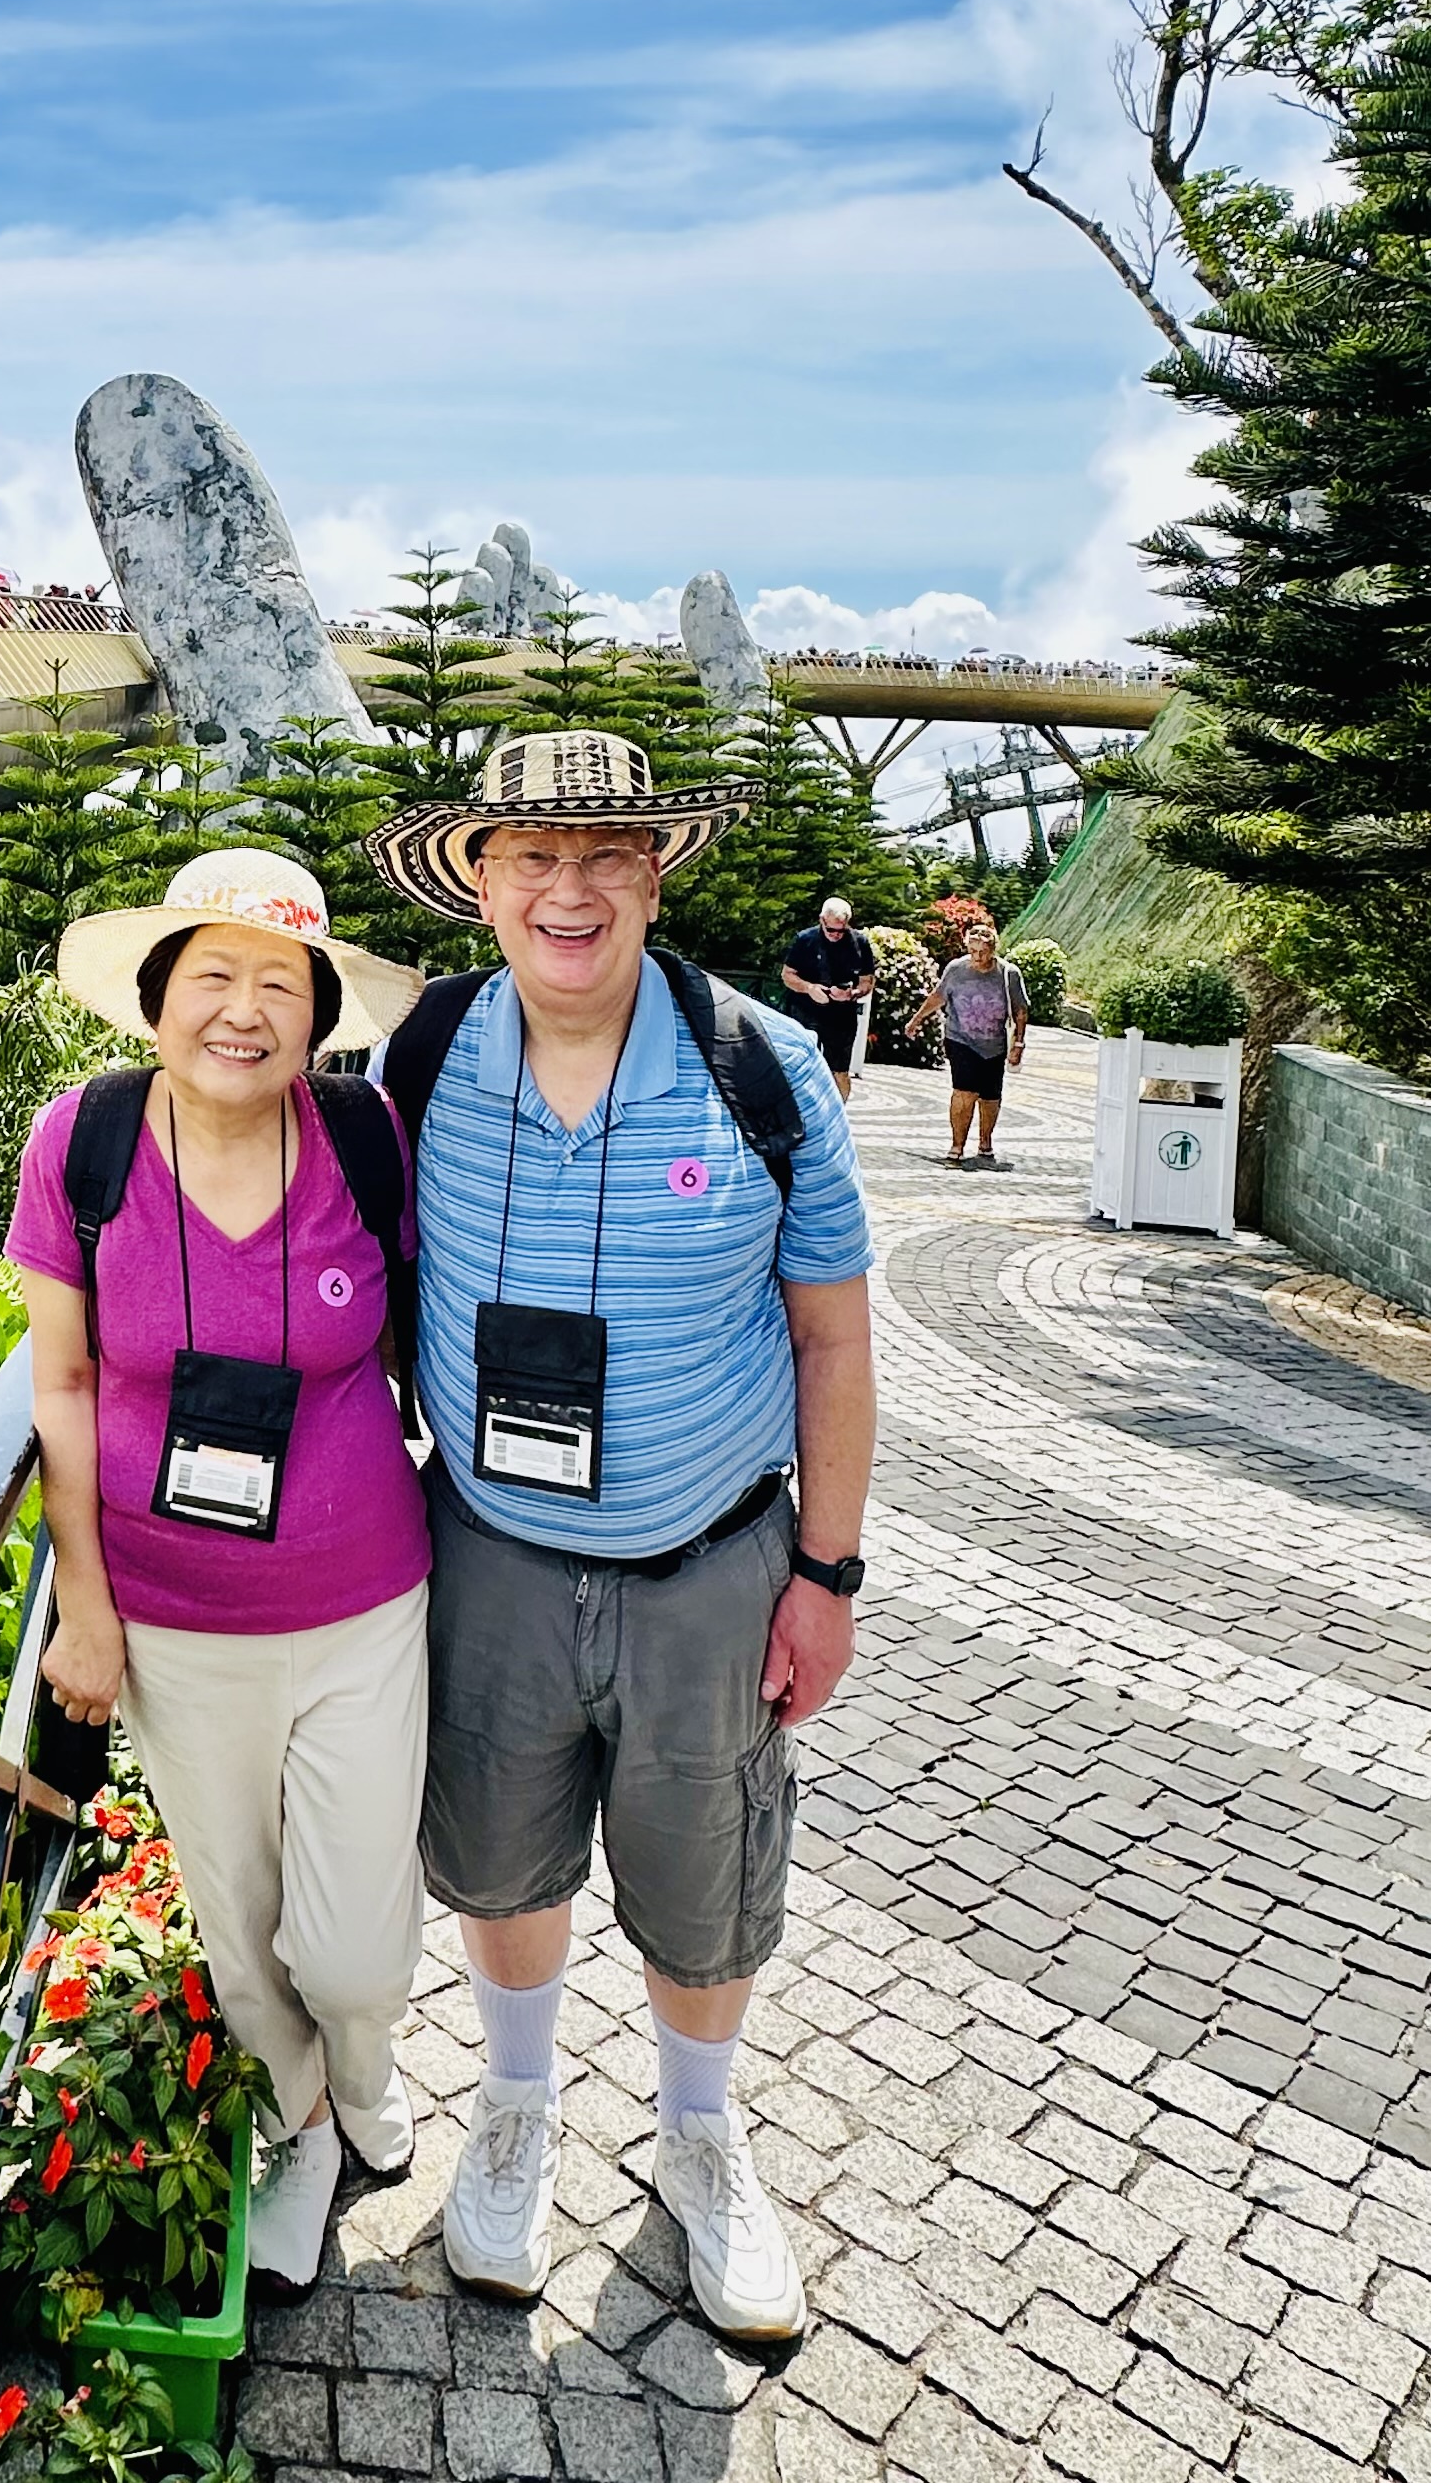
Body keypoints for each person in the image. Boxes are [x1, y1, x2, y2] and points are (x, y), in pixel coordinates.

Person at [363, 732, 876, 2341]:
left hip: (709, 1565)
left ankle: (703, 2137)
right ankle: (513, 2108)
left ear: (655, 878)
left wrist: (827, 1576)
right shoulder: (423, 1055)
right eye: (530, 855)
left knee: (704, 1863)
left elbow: (834, 1346)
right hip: (489, 1551)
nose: (568, 889)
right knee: (500, 1850)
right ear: (479, 882)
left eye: (605, 856)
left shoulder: (758, 1063)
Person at [8, 850, 432, 2293]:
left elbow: (407, 1338)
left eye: (278, 985)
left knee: (359, 1943)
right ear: (155, 997)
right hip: (173, 1620)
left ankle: (364, 2071)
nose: (241, 1013)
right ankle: (308, 2122)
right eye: (212, 978)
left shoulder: (368, 1142)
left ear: (316, 1014)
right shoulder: (83, 1145)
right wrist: (86, 1604)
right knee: (241, 1935)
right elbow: (60, 1388)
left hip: (367, 1600)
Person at [908, 917, 1029, 1167]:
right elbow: (938, 997)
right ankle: (957, 1144)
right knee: (964, 1091)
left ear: (993, 950)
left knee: (990, 1097)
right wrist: (916, 1020)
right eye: (972, 951)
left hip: (994, 1043)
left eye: (982, 952)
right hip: (960, 1039)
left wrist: (1019, 1043)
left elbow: (1020, 1010)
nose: (976, 957)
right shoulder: (956, 969)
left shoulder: (1008, 974)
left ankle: (985, 1141)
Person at [779, 895, 877, 1099]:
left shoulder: (859, 942)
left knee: (840, 1071)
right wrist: (809, 988)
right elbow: (787, 975)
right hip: (806, 1010)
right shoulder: (806, 939)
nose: (836, 935)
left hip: (841, 1014)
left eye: (841, 930)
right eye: (831, 929)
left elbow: (867, 980)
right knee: (802, 1066)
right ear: (821, 920)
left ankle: (838, 1115)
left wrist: (853, 993)